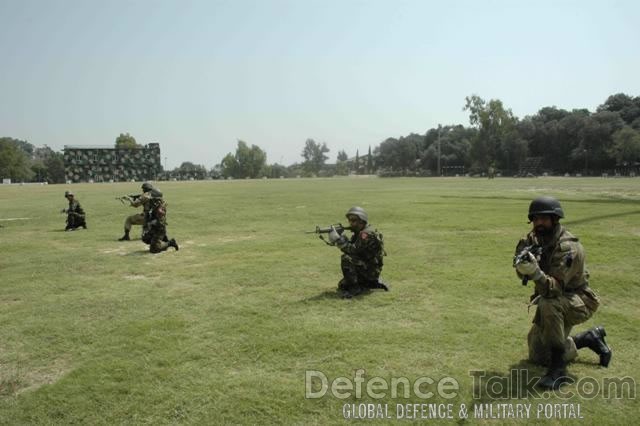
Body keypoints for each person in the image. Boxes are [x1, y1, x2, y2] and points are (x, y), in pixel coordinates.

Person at [514, 196, 611, 389]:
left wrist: (535, 273)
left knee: (548, 303)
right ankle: (588, 338)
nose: (539, 223)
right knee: (538, 355)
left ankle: (558, 371)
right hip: (553, 297)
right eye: (535, 219)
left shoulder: (568, 247)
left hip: (578, 300)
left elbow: (554, 288)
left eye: (544, 219)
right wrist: (522, 268)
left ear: (555, 219)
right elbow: (521, 268)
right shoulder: (532, 240)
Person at [327, 206, 388, 298]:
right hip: (370, 267)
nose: (351, 223)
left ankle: (355, 289)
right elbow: (356, 248)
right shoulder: (362, 231)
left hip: (370, 270)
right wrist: (343, 238)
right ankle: (371, 283)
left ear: (362, 220)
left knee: (346, 258)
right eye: (349, 220)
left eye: (354, 220)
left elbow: (352, 251)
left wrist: (339, 240)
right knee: (342, 285)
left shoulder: (366, 234)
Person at [141, 189, 179, 254]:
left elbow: (160, 222)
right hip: (154, 228)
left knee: (154, 250)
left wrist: (151, 223)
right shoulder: (153, 204)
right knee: (145, 237)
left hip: (159, 229)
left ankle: (170, 243)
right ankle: (161, 241)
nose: (150, 198)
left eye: (152, 197)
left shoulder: (160, 207)